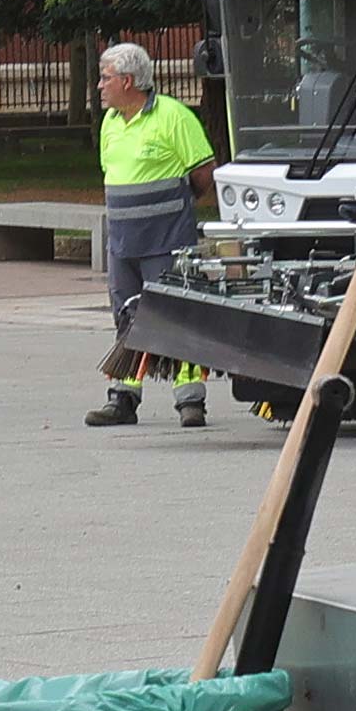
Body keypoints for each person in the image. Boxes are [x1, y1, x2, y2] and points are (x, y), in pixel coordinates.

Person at [85, 44, 214, 429]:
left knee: (178, 314)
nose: (99, 86)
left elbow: (203, 172)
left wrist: (177, 207)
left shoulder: (173, 116)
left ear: (127, 81)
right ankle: (123, 398)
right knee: (126, 316)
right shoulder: (110, 122)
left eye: (105, 78)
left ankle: (191, 402)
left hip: (167, 238)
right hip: (123, 241)